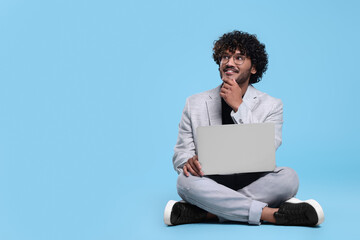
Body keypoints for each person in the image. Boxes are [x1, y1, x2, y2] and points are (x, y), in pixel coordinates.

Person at [163, 30, 325, 227]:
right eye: (225, 57)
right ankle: (269, 214)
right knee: (184, 181)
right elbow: (181, 153)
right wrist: (187, 162)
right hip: (210, 181)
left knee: (289, 178)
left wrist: (239, 105)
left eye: (239, 58)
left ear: (254, 67)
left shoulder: (272, 105)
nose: (230, 63)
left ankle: (207, 212)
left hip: (254, 181)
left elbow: (266, 148)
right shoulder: (194, 102)